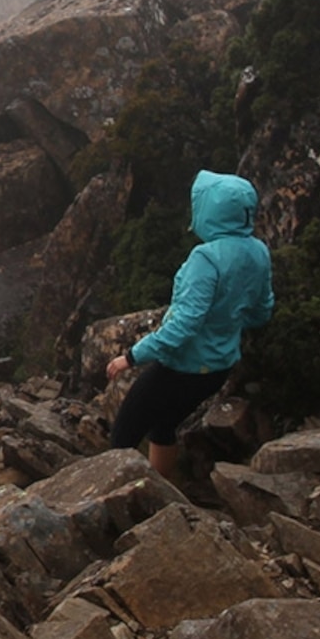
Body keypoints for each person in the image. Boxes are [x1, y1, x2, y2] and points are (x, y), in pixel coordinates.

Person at [104, 170, 273, 488]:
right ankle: (161, 492)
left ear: (210, 211)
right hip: (219, 367)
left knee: (124, 435)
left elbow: (184, 324)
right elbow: (261, 311)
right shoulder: (258, 252)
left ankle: (117, 504)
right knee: (164, 423)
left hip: (184, 367)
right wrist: (226, 326)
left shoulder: (205, 259)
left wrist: (131, 356)